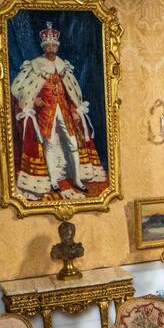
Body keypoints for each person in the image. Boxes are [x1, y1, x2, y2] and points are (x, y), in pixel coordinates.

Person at [11, 22, 107, 199]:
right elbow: (18, 88)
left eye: (54, 45)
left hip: (64, 111)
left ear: (57, 47)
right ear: (44, 47)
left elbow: (72, 92)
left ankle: (77, 179)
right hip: (45, 113)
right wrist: (33, 99)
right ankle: (54, 180)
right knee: (49, 145)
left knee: (72, 143)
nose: (52, 48)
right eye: (48, 45)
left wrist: (75, 109)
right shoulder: (35, 65)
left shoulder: (63, 66)